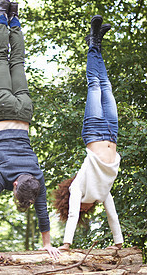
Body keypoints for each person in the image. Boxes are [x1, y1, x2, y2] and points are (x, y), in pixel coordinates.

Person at [0, 0, 60, 260]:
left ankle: (13, 16)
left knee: (18, 61)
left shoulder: (37, 177)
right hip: (2, 107)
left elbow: (43, 212)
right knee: (1, 57)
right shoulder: (1, 175)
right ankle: (1, 13)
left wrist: (48, 243)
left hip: (24, 110)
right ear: (15, 186)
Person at [53, 15, 123, 251]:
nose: (82, 209)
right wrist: (118, 243)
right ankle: (97, 44)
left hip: (93, 132)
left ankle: (93, 42)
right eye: (85, 211)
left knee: (94, 84)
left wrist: (66, 244)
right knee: (106, 85)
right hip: (112, 133)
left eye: (79, 208)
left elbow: (72, 216)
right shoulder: (103, 193)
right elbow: (112, 216)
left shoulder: (78, 188)